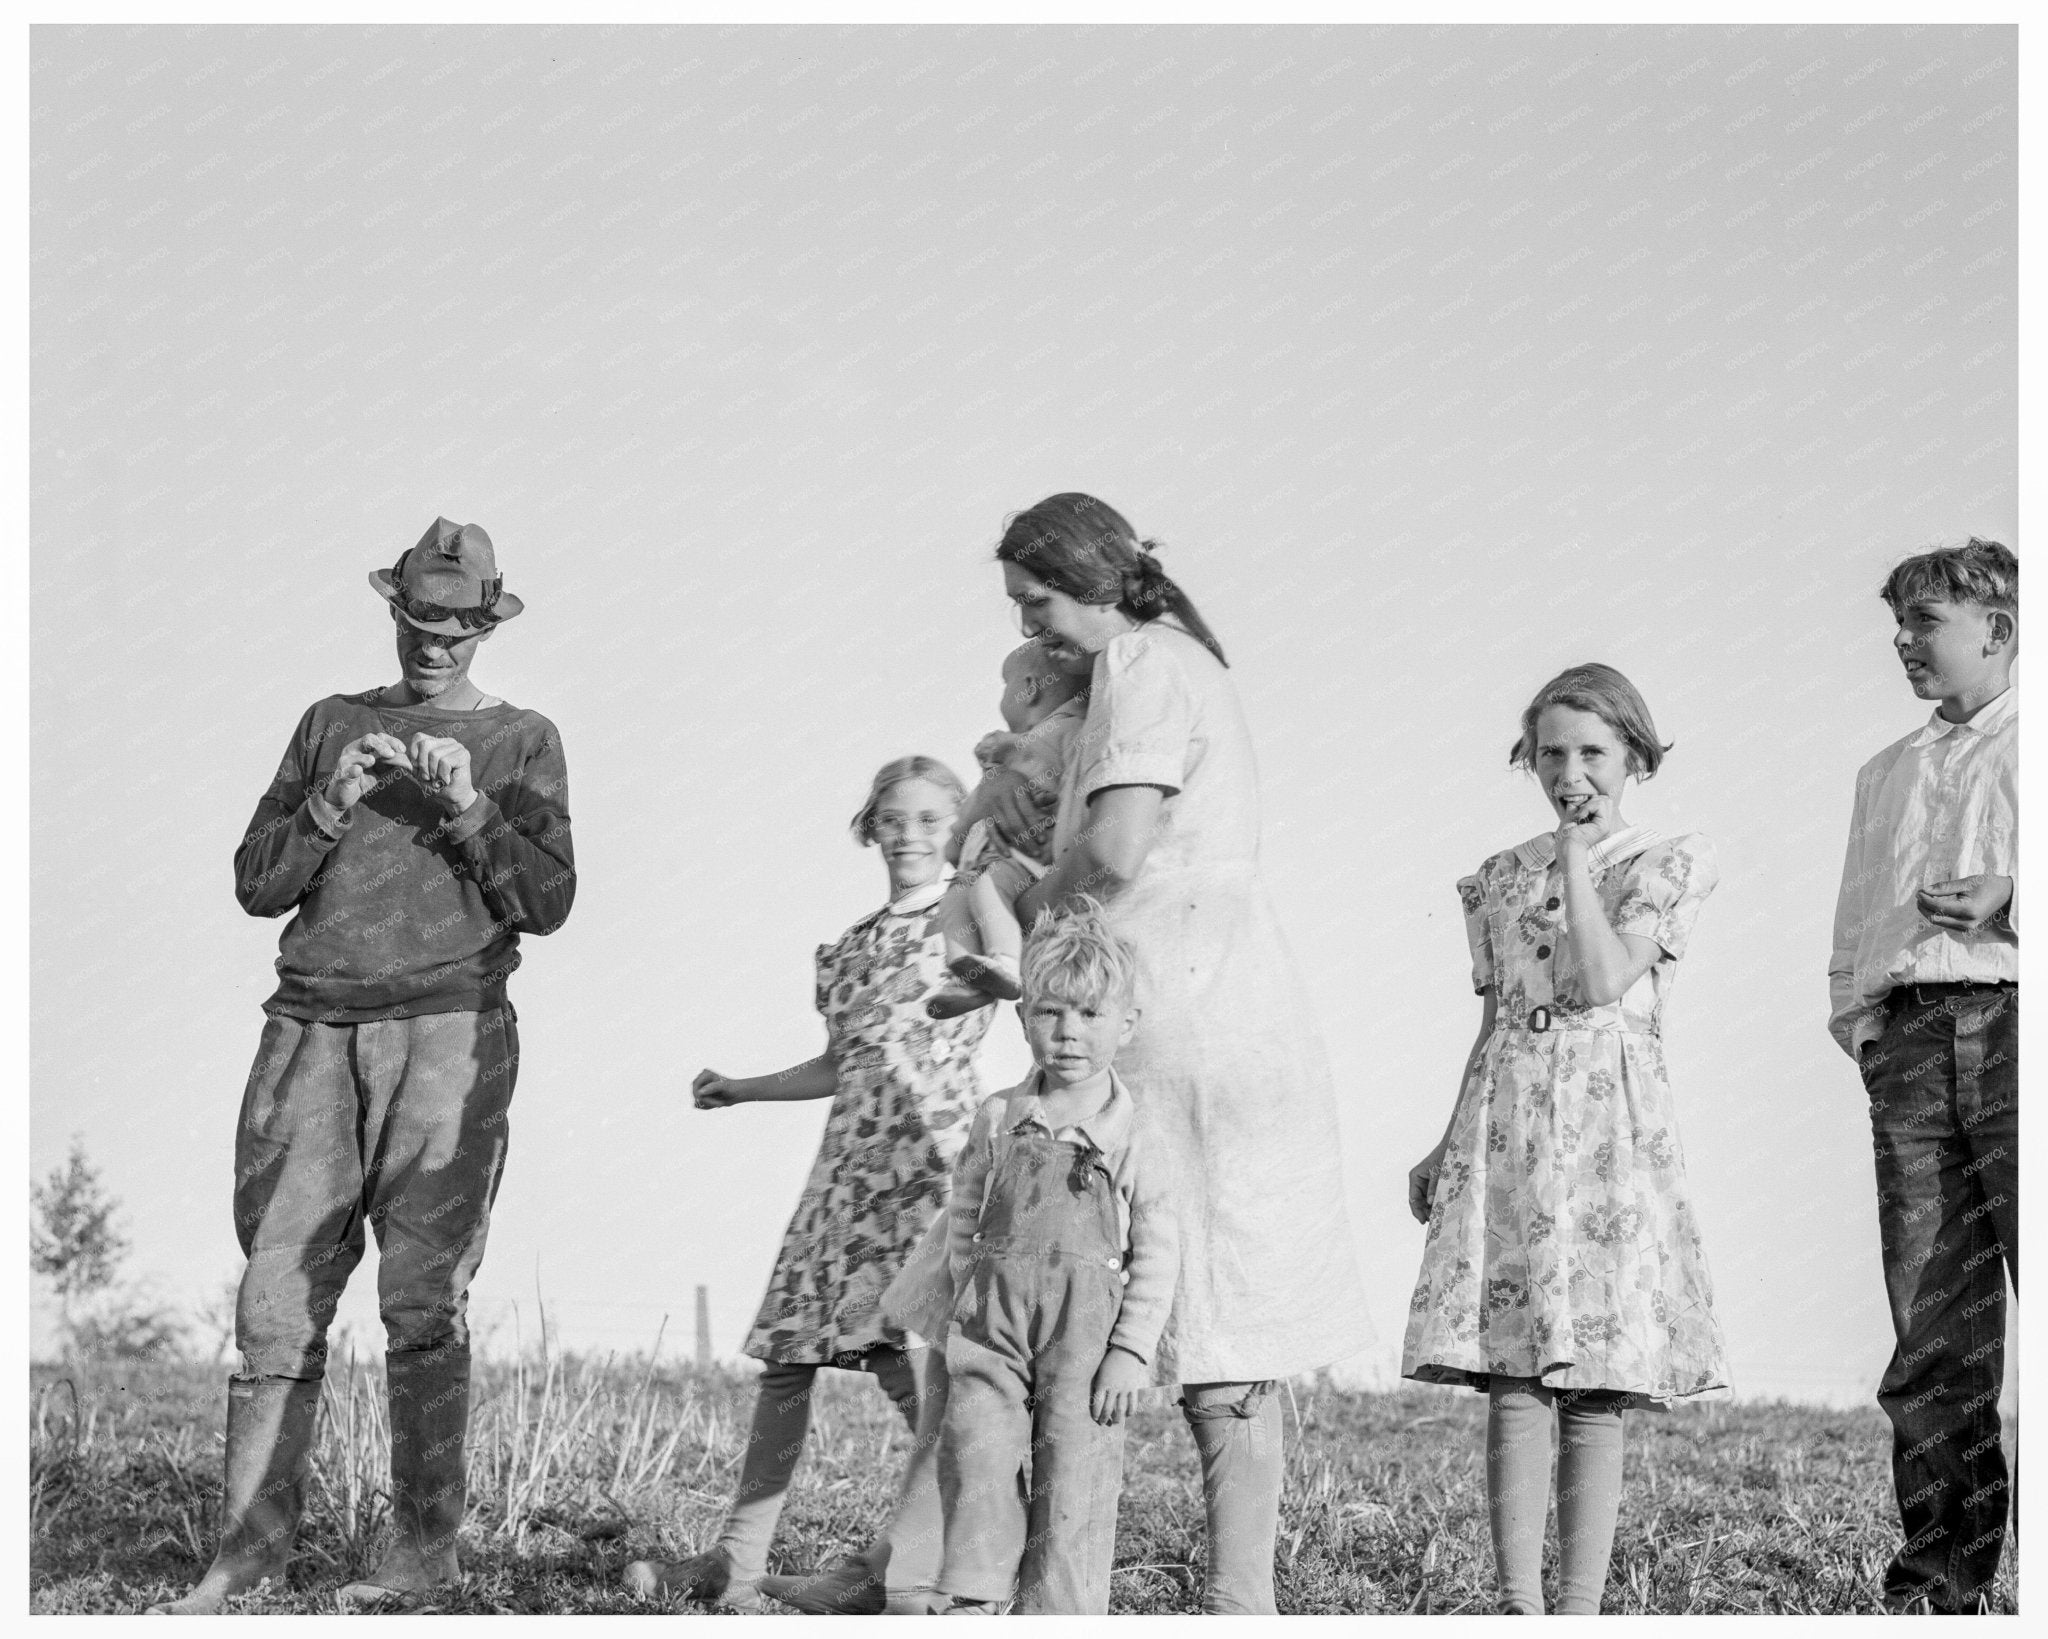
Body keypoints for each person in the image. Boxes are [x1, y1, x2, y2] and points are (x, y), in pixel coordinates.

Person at [152, 518, 575, 1613]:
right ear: (392, 613)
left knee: (423, 1298)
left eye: (454, 627)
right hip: (311, 1029)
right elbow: (255, 881)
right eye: (416, 621)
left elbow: (549, 902)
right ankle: (247, 1553)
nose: (433, 643)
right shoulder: (329, 723)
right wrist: (331, 800)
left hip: (450, 1033)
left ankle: (420, 1558)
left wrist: (468, 807)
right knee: (276, 1295)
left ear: (484, 625)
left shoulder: (521, 737)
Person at [984, 492, 1373, 1614]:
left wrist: (1024, 898)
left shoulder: (1142, 665)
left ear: (1091, 580)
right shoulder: (1161, 662)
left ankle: (1234, 1605)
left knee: (1210, 1312)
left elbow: (1113, 848)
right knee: (1177, 1300)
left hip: (1186, 1008)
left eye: (1037, 600)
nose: (1030, 628)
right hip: (1183, 992)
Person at [622, 757, 990, 1611]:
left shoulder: (973, 919)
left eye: (933, 820)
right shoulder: (855, 944)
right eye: (894, 819)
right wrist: (745, 1086)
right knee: (789, 1358)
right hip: (844, 1174)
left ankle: (944, 1561)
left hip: (925, 1170)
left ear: (961, 830)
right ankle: (738, 1565)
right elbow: (839, 1062)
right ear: (871, 826)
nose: (910, 835)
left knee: (913, 1365)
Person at [1403, 663, 1725, 1616]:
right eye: (1552, 752)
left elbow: (1597, 979)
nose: (1571, 771)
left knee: (1598, 1374)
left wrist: (1578, 860)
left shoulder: (1670, 858)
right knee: (1513, 1366)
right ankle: (1518, 1607)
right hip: (1509, 1120)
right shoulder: (1502, 876)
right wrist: (1445, 1137)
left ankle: (1578, 1610)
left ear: (1633, 753)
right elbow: (1497, 1019)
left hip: (1608, 1130)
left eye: (1592, 750)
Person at [1828, 539, 2017, 1614]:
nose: (1903, 641)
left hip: (2016, 1027)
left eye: (1925, 621)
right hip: (1906, 1046)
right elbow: (1855, 922)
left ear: (1993, 630)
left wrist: (2012, 895)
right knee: (1933, 1330)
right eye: (1896, 623)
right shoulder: (1882, 773)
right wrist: (1863, 1031)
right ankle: (1937, 1587)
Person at [932, 901, 1179, 1614]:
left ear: (1125, 1023)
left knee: (1077, 1472)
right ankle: (973, 1598)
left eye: (1090, 1014)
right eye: (1049, 1012)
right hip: (992, 1324)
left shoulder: (1132, 1132)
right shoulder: (998, 1115)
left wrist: (1130, 1351)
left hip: (1087, 1337)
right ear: (1023, 1017)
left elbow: (1158, 1247)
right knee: (978, 1450)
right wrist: (962, 1295)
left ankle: (1059, 1613)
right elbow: (963, 1212)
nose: (1068, 1032)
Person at [925, 642, 1090, 1020]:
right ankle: (967, 976)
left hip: (1021, 862)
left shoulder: (1063, 731)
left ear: (1030, 687)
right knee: (954, 901)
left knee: (987, 885)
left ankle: (1003, 960)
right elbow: (953, 846)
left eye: (1006, 683)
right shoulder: (1018, 754)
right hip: (982, 863)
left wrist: (1000, 754)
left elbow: (1069, 780)